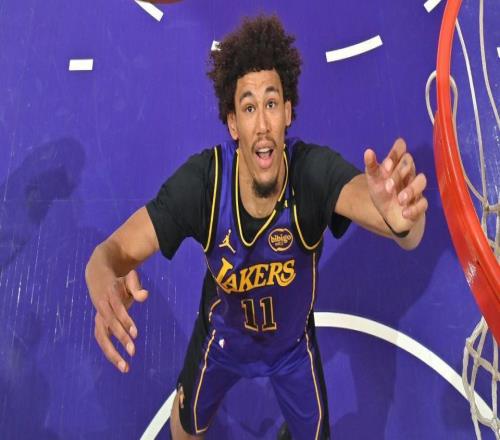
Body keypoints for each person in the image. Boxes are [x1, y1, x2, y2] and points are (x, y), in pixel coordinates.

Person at [85, 15, 428, 440]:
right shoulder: (204, 185)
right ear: (233, 123)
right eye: (249, 108)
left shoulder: (311, 173)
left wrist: (402, 220)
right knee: (186, 428)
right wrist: (102, 283)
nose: (262, 124)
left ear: (288, 113)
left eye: (271, 103)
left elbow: (387, 219)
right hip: (222, 341)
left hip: (291, 348)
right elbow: (109, 253)